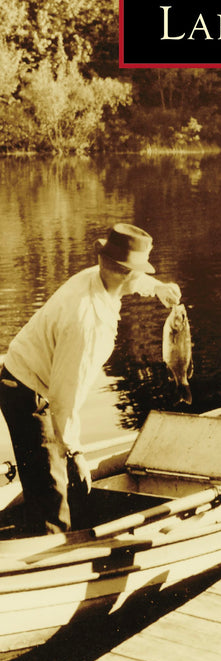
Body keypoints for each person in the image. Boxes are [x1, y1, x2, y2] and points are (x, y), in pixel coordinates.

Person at [0, 224, 181, 536]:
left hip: (26, 380)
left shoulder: (96, 277)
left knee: (50, 475)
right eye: (138, 270)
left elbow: (131, 279)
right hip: (29, 392)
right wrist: (75, 452)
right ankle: (50, 550)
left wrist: (157, 288)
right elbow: (63, 398)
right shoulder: (88, 323)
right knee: (51, 493)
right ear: (125, 272)